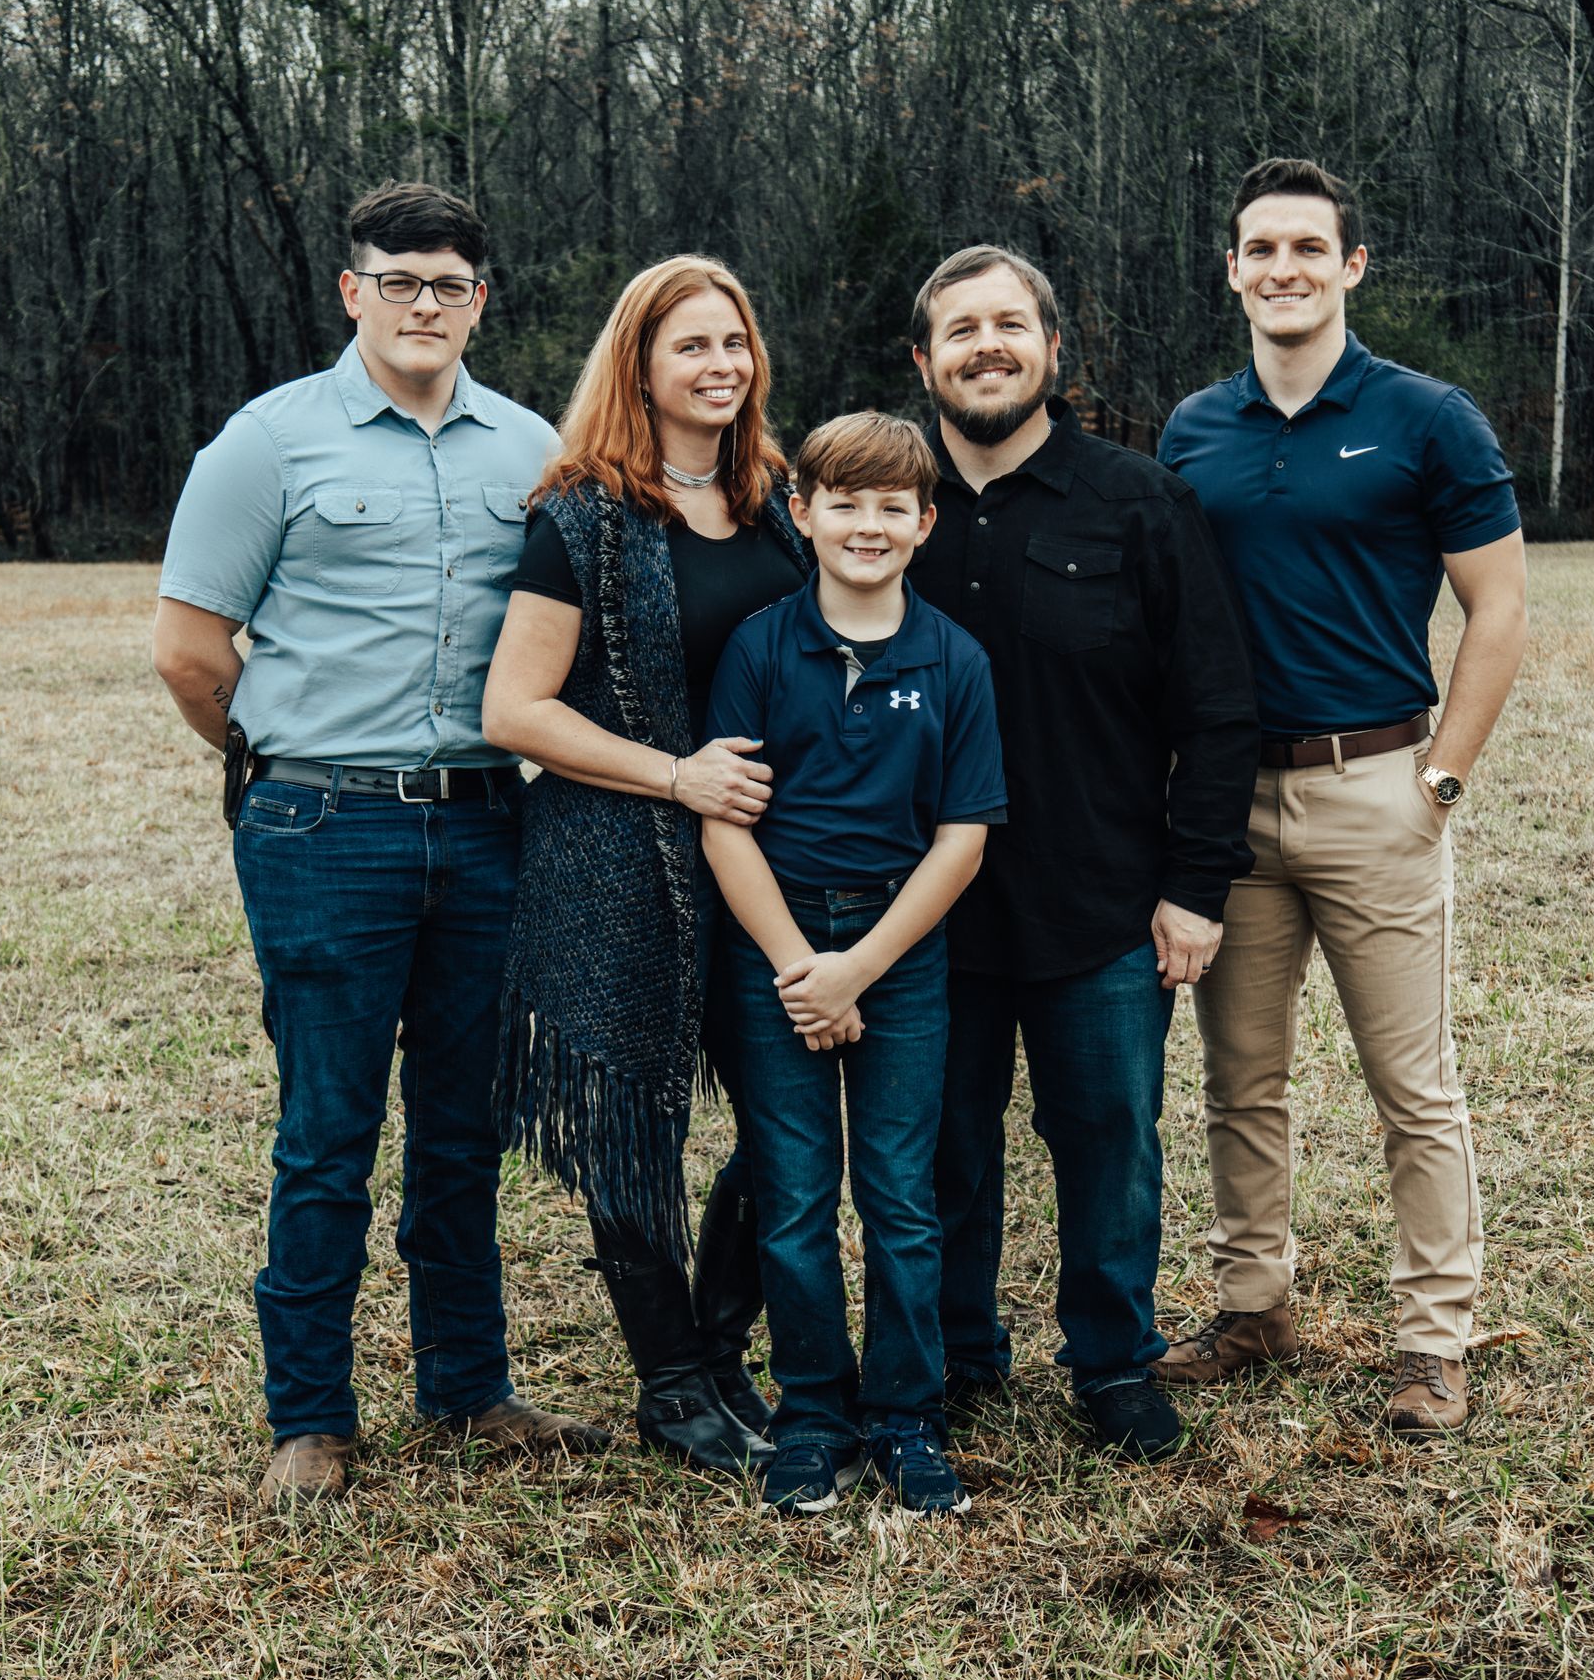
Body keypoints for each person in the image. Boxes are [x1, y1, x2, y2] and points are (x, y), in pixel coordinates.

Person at [153, 180, 607, 1505]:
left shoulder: (531, 449)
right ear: (353, 292)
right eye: (398, 280)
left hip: (484, 827)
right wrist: (276, 764)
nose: (423, 303)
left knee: (464, 1130)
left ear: (480, 302)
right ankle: (311, 1415)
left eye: (449, 284)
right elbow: (189, 652)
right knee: (327, 1128)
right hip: (319, 824)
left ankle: (468, 1391)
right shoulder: (268, 445)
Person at [1159, 158, 1528, 1435]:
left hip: (1376, 784)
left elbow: (1500, 608)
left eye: (1308, 248)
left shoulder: (1428, 418)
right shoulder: (1193, 430)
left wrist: (1442, 779)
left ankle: (1435, 1341)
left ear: (1351, 266)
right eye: (1260, 249)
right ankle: (1254, 1304)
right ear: (1233, 271)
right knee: (1239, 1079)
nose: (1283, 269)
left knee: (1411, 1090)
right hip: (1232, 806)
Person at [907, 246, 1262, 1460]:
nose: (987, 346)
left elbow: (1216, 712)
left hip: (1103, 905)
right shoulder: (879, 509)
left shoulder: (1139, 502)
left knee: (1109, 1145)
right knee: (943, 1150)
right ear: (924, 362)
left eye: (1011, 324)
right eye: (961, 330)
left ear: (1056, 351)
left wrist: (1194, 889)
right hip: (923, 915)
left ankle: (1112, 1360)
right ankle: (957, 1357)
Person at [483, 258, 808, 1477]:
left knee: (785, 1121)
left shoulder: (777, 499)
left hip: (766, 861)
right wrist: (675, 775)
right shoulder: (582, 515)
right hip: (619, 858)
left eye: (737, 343)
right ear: (641, 365)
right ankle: (672, 1386)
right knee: (632, 1121)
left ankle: (723, 1352)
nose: (721, 365)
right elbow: (514, 710)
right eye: (693, 347)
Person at [701, 413, 1007, 1518]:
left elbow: (962, 841)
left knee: (900, 1198)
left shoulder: (953, 659)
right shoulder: (761, 646)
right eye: (845, 502)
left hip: (902, 950)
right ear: (803, 514)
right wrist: (800, 968)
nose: (867, 524)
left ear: (925, 524)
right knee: (790, 1197)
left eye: (892, 507)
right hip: (774, 946)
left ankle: (907, 1419)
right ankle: (814, 1415)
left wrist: (860, 971)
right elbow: (725, 823)